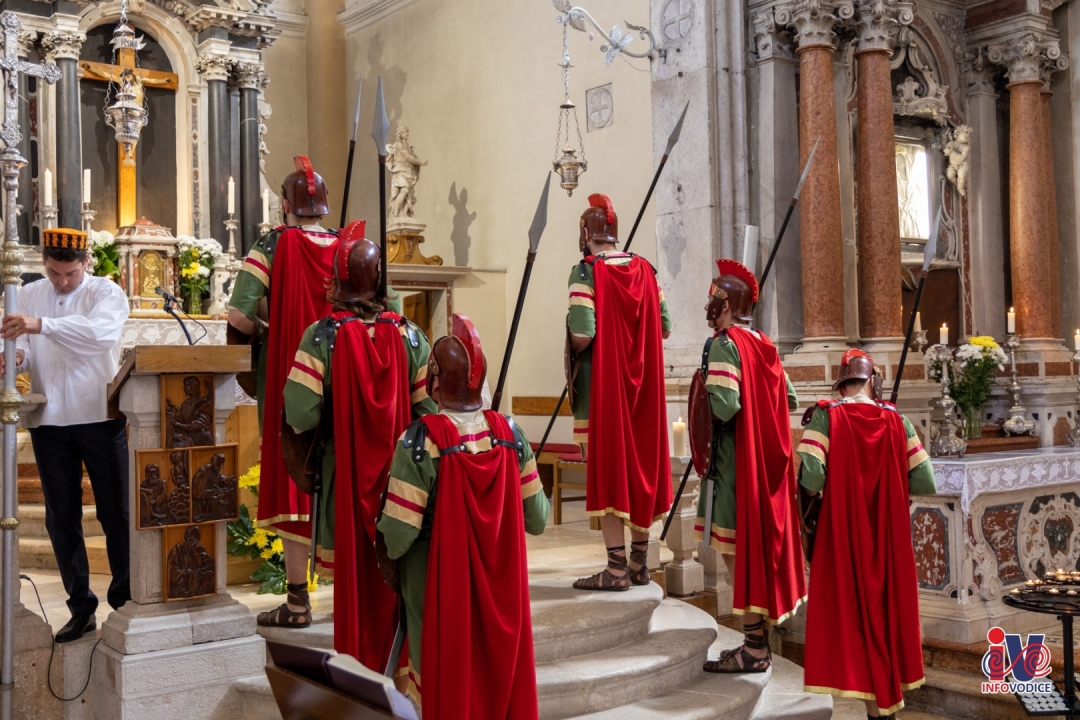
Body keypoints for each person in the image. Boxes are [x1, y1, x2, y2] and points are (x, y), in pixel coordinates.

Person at [377, 314, 548, 716]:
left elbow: (398, 537)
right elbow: (537, 518)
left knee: (444, 681)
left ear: (435, 382)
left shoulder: (420, 440)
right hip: (501, 589)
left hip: (438, 587)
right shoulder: (510, 434)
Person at [283, 221, 435, 664]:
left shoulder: (322, 335)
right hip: (404, 487)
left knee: (355, 582)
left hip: (345, 483)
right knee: (398, 578)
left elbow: (299, 414)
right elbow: (427, 417)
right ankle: (402, 672)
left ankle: (358, 676)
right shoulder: (412, 336)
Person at [1, 227, 130, 643]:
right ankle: (80, 607)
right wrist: (15, 357)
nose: (62, 281)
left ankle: (125, 601)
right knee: (62, 519)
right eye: (55, 273)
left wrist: (40, 326)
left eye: (70, 273)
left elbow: (100, 338)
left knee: (117, 513)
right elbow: (14, 346)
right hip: (49, 419)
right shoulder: (27, 293)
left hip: (99, 415)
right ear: (44, 263)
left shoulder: (105, 293)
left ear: (86, 263)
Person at [228, 156, 341, 627]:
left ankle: (297, 603)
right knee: (341, 474)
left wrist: (265, 329)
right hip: (343, 374)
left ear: (284, 205)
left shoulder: (270, 245)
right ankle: (355, 596)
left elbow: (237, 317)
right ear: (324, 206)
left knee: (295, 479)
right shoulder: (348, 248)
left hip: (290, 376)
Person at [797, 349, 936, 717]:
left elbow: (810, 477)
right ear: (872, 381)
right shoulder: (896, 420)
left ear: (841, 383)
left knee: (851, 618)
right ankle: (882, 708)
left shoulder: (826, 417)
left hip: (843, 534)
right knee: (884, 616)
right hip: (887, 537)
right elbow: (924, 479)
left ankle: (874, 709)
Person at [695, 259, 804, 672]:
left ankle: (755, 647)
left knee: (734, 553)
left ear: (724, 303)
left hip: (733, 467)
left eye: (712, 296)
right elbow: (788, 400)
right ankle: (756, 643)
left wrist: (703, 386)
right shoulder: (763, 343)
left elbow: (724, 407)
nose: (709, 303)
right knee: (748, 551)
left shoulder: (724, 344)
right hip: (765, 467)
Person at [567, 194, 673, 591]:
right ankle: (640, 563)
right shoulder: (646, 270)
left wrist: (569, 342)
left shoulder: (586, 272)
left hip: (605, 393)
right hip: (643, 391)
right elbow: (664, 328)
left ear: (586, 234)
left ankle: (615, 571)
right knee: (641, 472)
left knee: (611, 475)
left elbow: (583, 333)